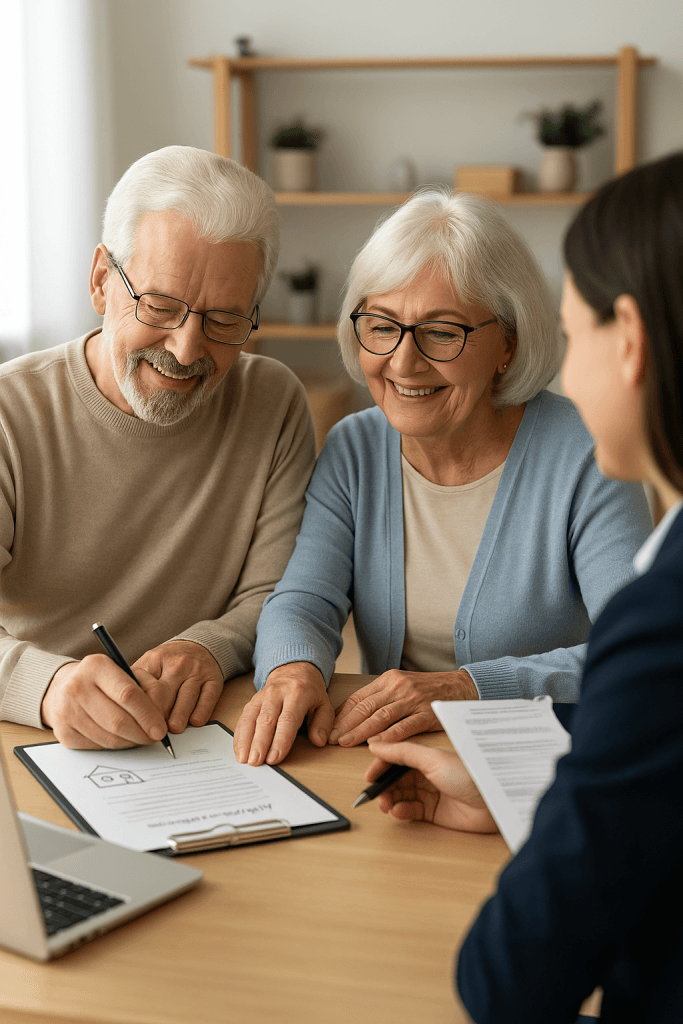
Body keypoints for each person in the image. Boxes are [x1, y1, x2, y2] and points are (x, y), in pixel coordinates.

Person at [364, 151, 683, 1023]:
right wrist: (517, 787)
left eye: (572, 337)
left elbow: (506, 980)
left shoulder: (663, 617)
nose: (564, 376)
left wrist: (553, 808)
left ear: (630, 342)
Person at [235, 189, 651, 767]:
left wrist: (466, 688)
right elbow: (305, 598)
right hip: (393, 763)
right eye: (382, 325)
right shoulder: (354, 447)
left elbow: (639, 654)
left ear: (507, 343)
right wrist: (293, 668)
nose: (404, 362)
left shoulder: (588, 453)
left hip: (543, 763)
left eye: (442, 332)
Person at [0, 145, 315, 751]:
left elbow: (275, 595)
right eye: (161, 306)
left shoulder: (272, 401)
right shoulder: (10, 412)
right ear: (101, 281)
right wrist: (48, 687)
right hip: (35, 738)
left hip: (201, 732)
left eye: (225, 319)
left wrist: (209, 646)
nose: (187, 348)